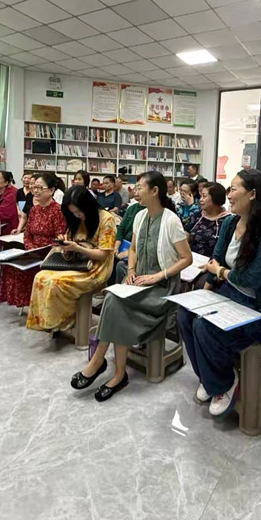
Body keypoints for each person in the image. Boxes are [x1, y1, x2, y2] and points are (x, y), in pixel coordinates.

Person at [70, 171, 191, 401]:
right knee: (114, 300)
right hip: (139, 282)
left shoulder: (171, 220)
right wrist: (132, 270)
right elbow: (133, 248)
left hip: (162, 288)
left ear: (155, 191)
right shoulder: (139, 215)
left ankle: (100, 363)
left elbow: (187, 259)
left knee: (115, 303)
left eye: (140, 187)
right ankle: (117, 373)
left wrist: (158, 276)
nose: (135, 190)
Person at [178, 169, 261, 414]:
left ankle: (224, 383)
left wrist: (221, 272)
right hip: (227, 294)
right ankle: (208, 377)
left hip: (257, 306)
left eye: (234, 189)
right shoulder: (229, 223)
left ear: (252, 194)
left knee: (204, 326)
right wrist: (205, 291)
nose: (229, 194)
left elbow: (252, 280)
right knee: (185, 314)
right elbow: (215, 260)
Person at [27, 185, 116, 332]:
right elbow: (71, 238)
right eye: (73, 212)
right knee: (40, 277)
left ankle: (64, 320)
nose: (77, 215)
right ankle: (50, 321)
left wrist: (78, 248)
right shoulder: (74, 218)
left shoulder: (106, 219)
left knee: (55, 282)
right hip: (75, 261)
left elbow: (103, 254)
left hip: (96, 266)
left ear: (88, 206)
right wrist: (65, 242)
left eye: (79, 212)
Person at [0, 173, 66, 308]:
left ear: (51, 190)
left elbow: (60, 238)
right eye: (34, 187)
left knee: (29, 269)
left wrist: (39, 250)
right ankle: (27, 302)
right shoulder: (34, 210)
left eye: (40, 188)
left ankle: (38, 304)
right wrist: (30, 248)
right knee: (10, 265)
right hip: (32, 250)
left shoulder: (58, 210)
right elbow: (27, 234)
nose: (35, 191)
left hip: (49, 252)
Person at [185, 182, 230, 258]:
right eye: (201, 196)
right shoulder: (196, 216)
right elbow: (185, 239)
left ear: (215, 198)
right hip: (193, 259)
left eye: (204, 196)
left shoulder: (227, 220)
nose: (200, 200)